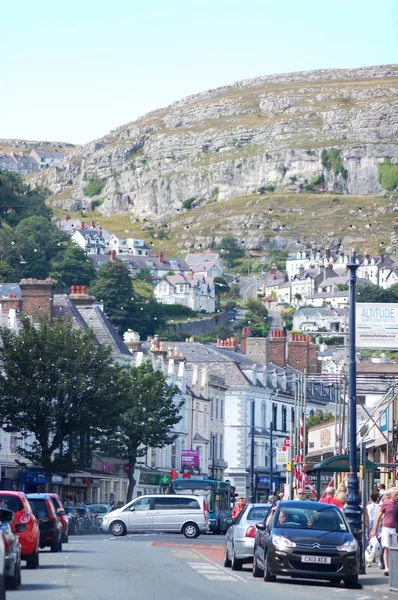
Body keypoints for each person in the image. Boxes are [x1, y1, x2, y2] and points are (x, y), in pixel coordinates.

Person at [370, 489, 398, 576]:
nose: (397, 496)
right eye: (395, 495)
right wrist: (374, 529)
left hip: (395, 529)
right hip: (386, 527)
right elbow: (379, 516)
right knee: (386, 547)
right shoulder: (386, 503)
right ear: (390, 495)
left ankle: (394, 566)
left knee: (395, 549)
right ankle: (386, 567)